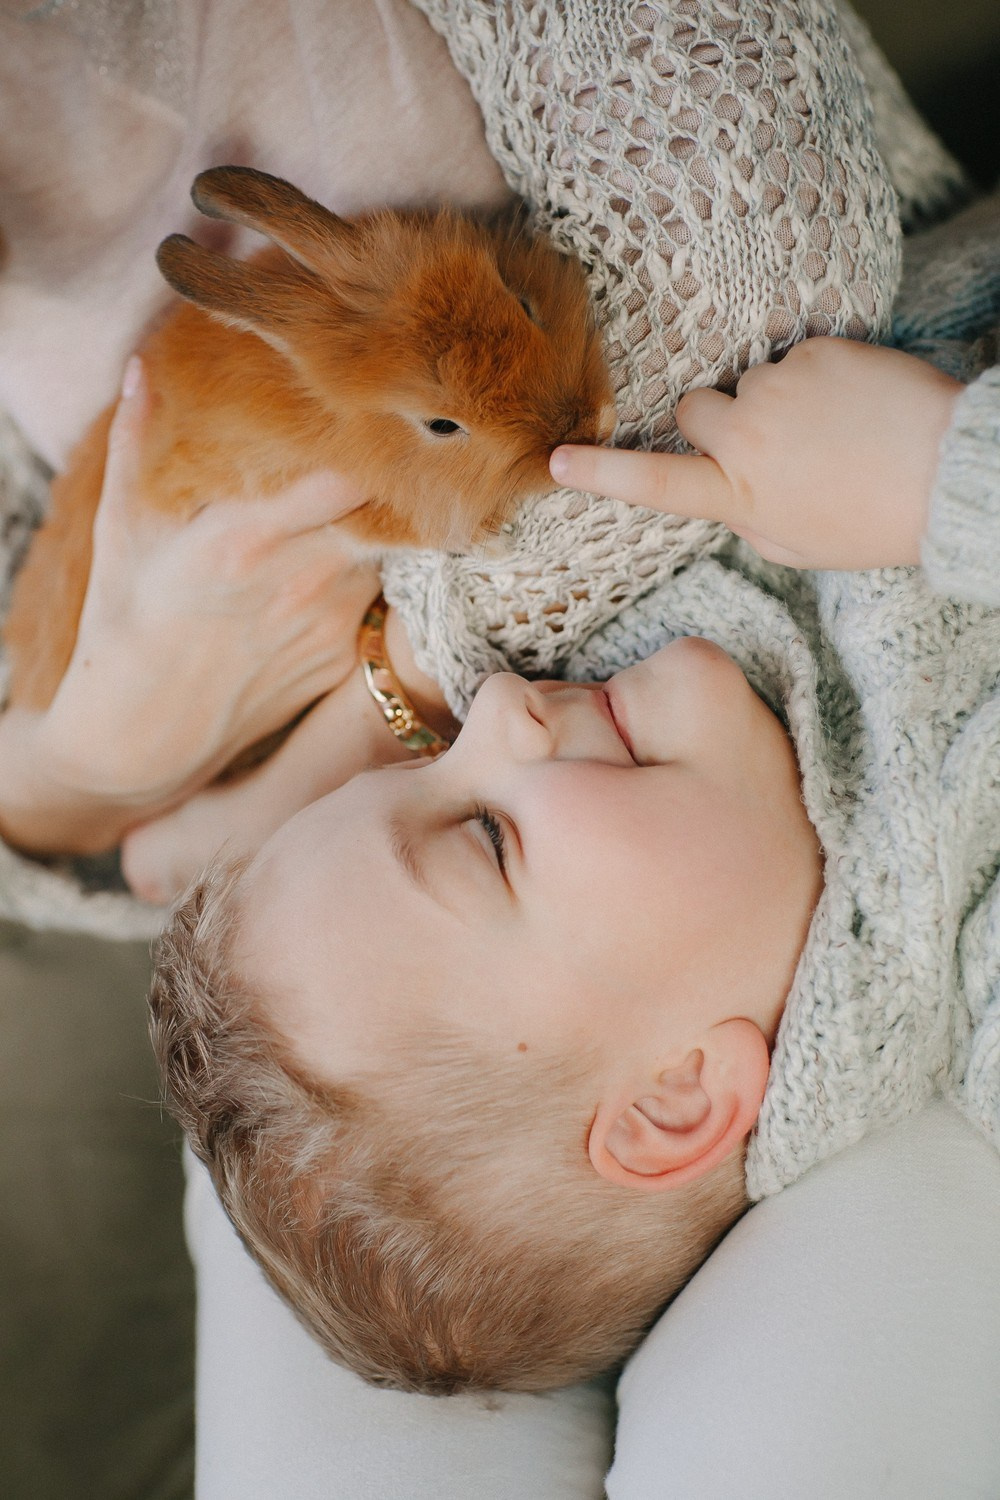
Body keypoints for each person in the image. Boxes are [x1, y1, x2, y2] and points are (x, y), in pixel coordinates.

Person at [147, 290, 1000, 1390]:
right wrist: (945, 477)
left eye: (429, 755)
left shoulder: (572, 622)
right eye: (488, 840)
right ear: (674, 1099)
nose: (498, 706)